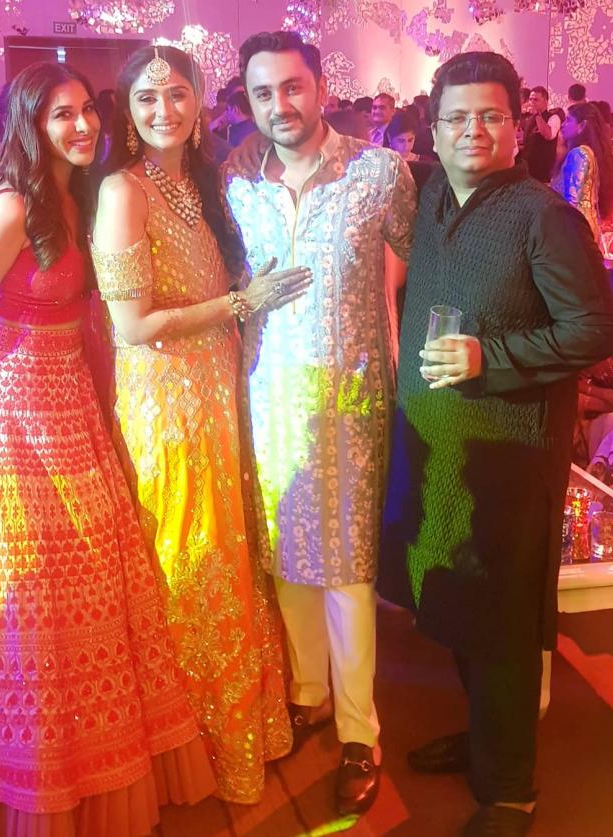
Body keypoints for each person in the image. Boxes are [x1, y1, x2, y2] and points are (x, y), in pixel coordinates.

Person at [0, 60, 216, 836]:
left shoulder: (82, 193)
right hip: (18, 404)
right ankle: (27, 771)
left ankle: (93, 756)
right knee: (31, 588)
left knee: (97, 570)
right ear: (29, 123)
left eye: (87, 111)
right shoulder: (13, 203)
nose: (82, 125)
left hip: (72, 394)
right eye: (60, 114)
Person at [378, 51, 613, 837]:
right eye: (456, 117)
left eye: (490, 116)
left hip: (510, 456)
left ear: (518, 125)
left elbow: (594, 328)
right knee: (454, 602)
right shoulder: (433, 197)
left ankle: (512, 788)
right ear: (433, 129)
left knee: (505, 623)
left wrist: (493, 357)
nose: (472, 130)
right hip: (441, 451)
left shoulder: (543, 215)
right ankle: (485, 740)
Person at [91, 44, 307, 805]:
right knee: (190, 551)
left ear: (200, 101)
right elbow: (131, 327)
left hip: (218, 384)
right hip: (166, 401)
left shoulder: (203, 180)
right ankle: (195, 745)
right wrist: (242, 304)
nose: (164, 110)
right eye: (147, 98)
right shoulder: (122, 189)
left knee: (232, 543)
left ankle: (244, 727)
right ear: (127, 110)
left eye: (178, 94)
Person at [223, 30, 416, 817]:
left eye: (292, 87)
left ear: (321, 87)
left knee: (347, 568)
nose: (280, 105)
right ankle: (307, 690)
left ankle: (360, 731)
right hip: (267, 394)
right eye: (263, 93)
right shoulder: (238, 181)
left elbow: (417, 263)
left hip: (350, 396)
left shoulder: (379, 172)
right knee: (285, 552)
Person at [552, 101, 613, 250]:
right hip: (585, 227)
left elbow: (573, 201)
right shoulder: (589, 152)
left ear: (582, 125)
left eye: (569, 120)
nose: (563, 125)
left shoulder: (579, 154)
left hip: (575, 231)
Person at [523, 85, 562, 182]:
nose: (532, 102)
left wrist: (537, 114)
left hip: (542, 172)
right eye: (530, 99)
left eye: (536, 100)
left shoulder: (553, 117)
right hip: (528, 169)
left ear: (545, 101)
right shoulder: (529, 118)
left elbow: (548, 135)